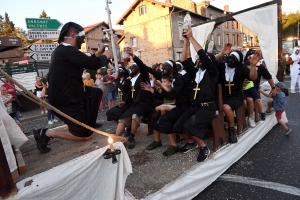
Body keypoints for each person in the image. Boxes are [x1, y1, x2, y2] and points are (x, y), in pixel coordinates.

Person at [33, 22, 113, 153]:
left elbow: (85, 63)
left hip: (69, 97)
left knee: (95, 93)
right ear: (73, 34)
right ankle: (45, 133)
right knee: (85, 134)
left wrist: (98, 54)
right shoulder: (66, 50)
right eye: (82, 37)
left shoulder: (62, 51)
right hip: (66, 99)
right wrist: (105, 56)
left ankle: (86, 123)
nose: (82, 41)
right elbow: (92, 63)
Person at [161, 28, 218, 161]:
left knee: (189, 125)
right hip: (194, 106)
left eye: (202, 59)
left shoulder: (212, 73)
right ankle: (191, 142)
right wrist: (186, 42)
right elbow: (183, 61)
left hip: (207, 107)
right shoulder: (195, 73)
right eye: (198, 59)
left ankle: (203, 146)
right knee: (177, 127)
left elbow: (204, 56)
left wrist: (192, 38)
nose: (199, 61)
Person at [215, 44, 260, 143]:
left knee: (226, 107)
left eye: (234, 58)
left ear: (238, 61)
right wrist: (222, 53)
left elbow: (253, 77)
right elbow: (210, 62)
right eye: (230, 57)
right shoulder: (222, 66)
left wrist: (253, 66)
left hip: (236, 96)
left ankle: (232, 129)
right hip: (220, 96)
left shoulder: (242, 68)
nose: (230, 60)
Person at [114, 47, 154, 149]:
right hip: (135, 103)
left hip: (145, 103)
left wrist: (133, 55)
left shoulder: (143, 76)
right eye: (132, 66)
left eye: (135, 66)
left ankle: (131, 137)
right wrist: (125, 101)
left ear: (139, 68)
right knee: (123, 118)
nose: (132, 67)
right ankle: (115, 139)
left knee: (135, 115)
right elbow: (130, 94)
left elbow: (142, 66)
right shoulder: (131, 79)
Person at [243, 49, 277, 121]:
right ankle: (248, 115)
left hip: (254, 88)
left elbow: (268, 77)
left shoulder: (260, 66)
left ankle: (254, 116)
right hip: (244, 89)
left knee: (253, 99)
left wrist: (273, 88)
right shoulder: (244, 66)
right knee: (248, 100)